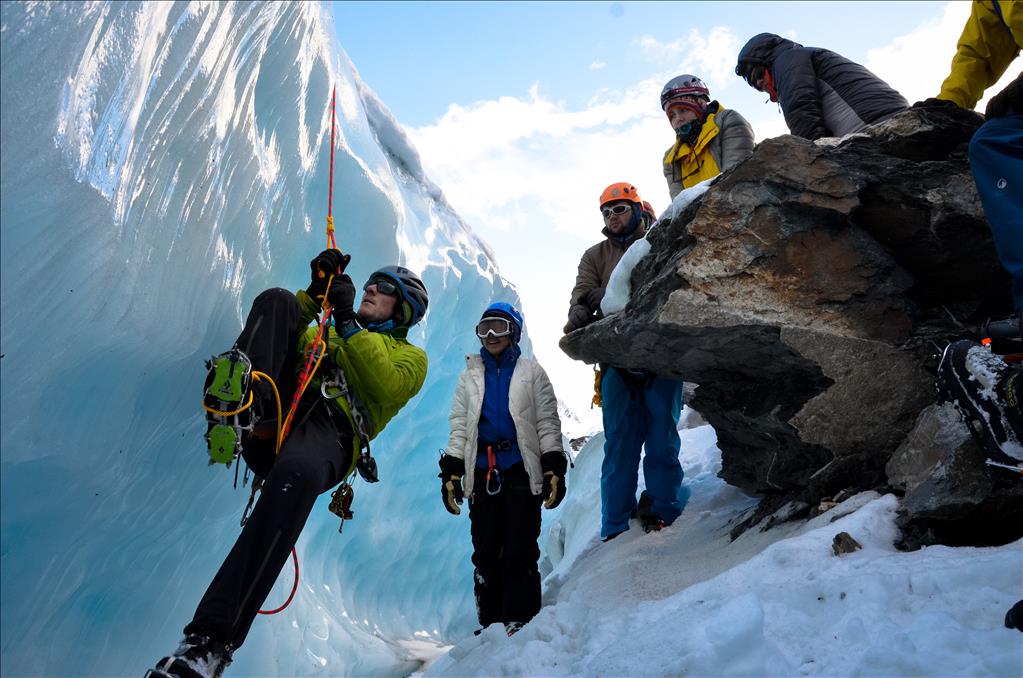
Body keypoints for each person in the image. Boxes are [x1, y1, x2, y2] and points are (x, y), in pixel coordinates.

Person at [149, 250, 429, 678]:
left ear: (404, 309)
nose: (372, 287)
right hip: (278, 416)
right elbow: (291, 333)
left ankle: (209, 645)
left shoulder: (411, 359)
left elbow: (384, 381)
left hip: (329, 435)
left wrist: (347, 319)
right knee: (280, 300)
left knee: (297, 474)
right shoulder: (329, 329)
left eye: (385, 287)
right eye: (372, 281)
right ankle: (241, 404)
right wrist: (317, 295)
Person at [564, 183, 685, 541]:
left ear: (636, 209)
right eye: (606, 211)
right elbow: (582, 292)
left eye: (619, 209)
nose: (612, 217)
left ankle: (662, 510)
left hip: (659, 358)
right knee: (620, 445)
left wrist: (604, 296)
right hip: (616, 363)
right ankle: (614, 525)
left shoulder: (659, 241)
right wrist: (581, 309)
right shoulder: (595, 255)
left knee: (662, 439)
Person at [439, 302, 568, 635]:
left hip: (521, 470)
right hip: (483, 472)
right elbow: (459, 426)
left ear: (513, 332)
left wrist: (553, 463)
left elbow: (546, 422)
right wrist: (452, 470)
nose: (491, 335)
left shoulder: (532, 373)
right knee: (485, 549)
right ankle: (492, 623)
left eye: (499, 326)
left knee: (520, 546)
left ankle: (520, 619)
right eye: (484, 329)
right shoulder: (469, 377)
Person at [734, 33, 908, 141]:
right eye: (753, 85)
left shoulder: (787, 60)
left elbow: (800, 107)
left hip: (873, 125)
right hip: (889, 117)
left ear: (767, 61)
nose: (758, 83)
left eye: (757, 75)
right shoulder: (802, 55)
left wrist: (813, 157)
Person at [660, 74, 755, 199]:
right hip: (702, 218)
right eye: (672, 115)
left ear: (701, 104)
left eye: (683, 110)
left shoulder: (727, 121)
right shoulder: (671, 159)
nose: (678, 119)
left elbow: (736, 178)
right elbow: (680, 204)